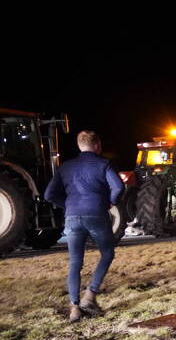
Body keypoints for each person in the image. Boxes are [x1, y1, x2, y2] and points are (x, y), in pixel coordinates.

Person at [44, 130, 123, 322]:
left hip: (72, 216)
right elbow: (118, 187)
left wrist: (68, 205)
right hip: (96, 214)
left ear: (80, 145)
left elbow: (49, 195)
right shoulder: (103, 164)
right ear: (97, 145)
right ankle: (90, 295)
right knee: (107, 253)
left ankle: (74, 308)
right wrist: (109, 202)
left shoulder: (65, 167)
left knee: (75, 262)